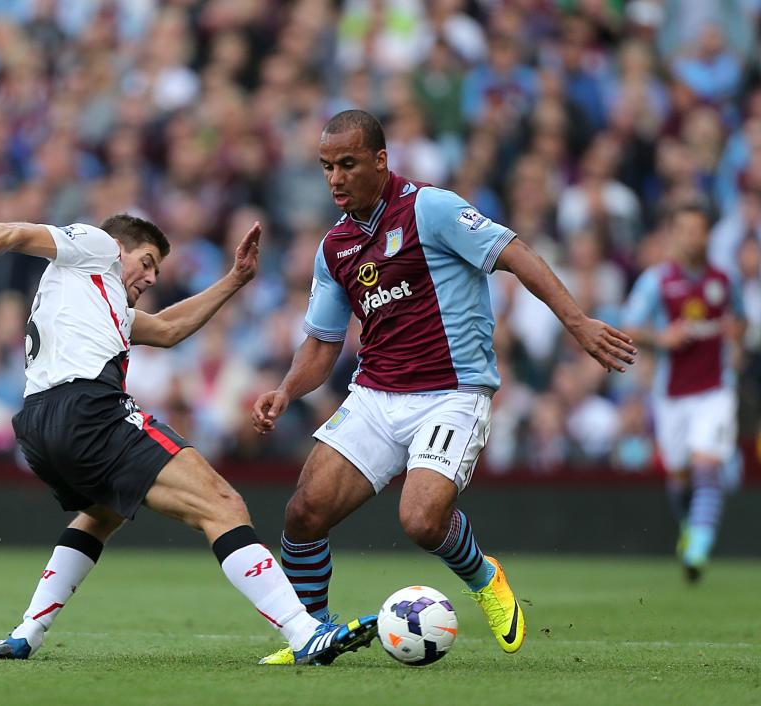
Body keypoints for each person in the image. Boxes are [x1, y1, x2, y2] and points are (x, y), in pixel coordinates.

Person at [251, 110, 637, 664]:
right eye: (326, 167)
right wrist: (287, 389)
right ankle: (312, 634)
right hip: (377, 395)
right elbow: (322, 342)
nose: (334, 178)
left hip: (452, 393)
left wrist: (576, 322)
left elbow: (515, 254)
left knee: (421, 519)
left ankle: (484, 575)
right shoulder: (334, 247)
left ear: (381, 161)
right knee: (302, 513)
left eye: (348, 164)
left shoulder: (430, 208)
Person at [0, 214, 378, 664]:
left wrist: (235, 279)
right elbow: (11, 233)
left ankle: (26, 633)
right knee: (222, 503)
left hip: (37, 425)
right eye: (147, 261)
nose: (151, 277)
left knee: (101, 513)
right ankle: (303, 630)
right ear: (117, 248)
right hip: (87, 409)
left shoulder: (94, 301)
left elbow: (170, 329)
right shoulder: (94, 246)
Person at [623, 203, 746, 582]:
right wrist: (661, 337)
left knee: (707, 465)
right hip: (672, 394)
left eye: (700, 230)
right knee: (679, 477)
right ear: (675, 235)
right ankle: (690, 528)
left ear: (709, 235)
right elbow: (630, 325)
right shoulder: (657, 280)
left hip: (715, 390)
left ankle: (697, 550)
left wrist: (736, 340)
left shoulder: (725, 279)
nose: (694, 237)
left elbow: (740, 320)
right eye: (686, 230)